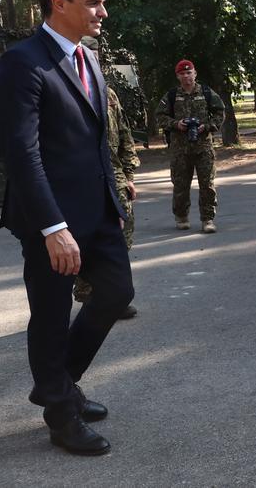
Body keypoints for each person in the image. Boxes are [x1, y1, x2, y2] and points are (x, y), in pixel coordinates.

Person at [0, 0, 135, 455]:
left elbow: (98, 142)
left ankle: (57, 384)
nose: (102, 10)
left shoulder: (88, 57)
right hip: (50, 220)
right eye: (93, 2)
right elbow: (22, 153)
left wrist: (113, 201)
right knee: (51, 315)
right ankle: (61, 414)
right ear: (59, 3)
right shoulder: (22, 63)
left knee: (117, 293)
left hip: (98, 213)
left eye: (102, 1)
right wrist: (54, 227)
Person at [73, 36, 139, 319]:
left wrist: (129, 173)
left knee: (120, 238)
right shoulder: (68, 92)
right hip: (82, 180)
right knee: (87, 239)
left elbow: (124, 134)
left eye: (96, 53)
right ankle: (89, 296)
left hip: (116, 179)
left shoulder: (108, 94)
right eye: (87, 52)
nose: (93, 57)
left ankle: (115, 296)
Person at [155, 60, 225, 233]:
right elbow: (160, 116)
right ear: (178, 76)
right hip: (180, 149)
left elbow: (220, 112)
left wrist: (207, 126)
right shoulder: (172, 95)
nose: (186, 76)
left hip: (203, 147)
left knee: (207, 185)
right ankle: (181, 216)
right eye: (182, 74)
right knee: (180, 185)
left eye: (189, 72)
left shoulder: (206, 92)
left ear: (195, 73)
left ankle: (207, 219)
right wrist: (176, 124)